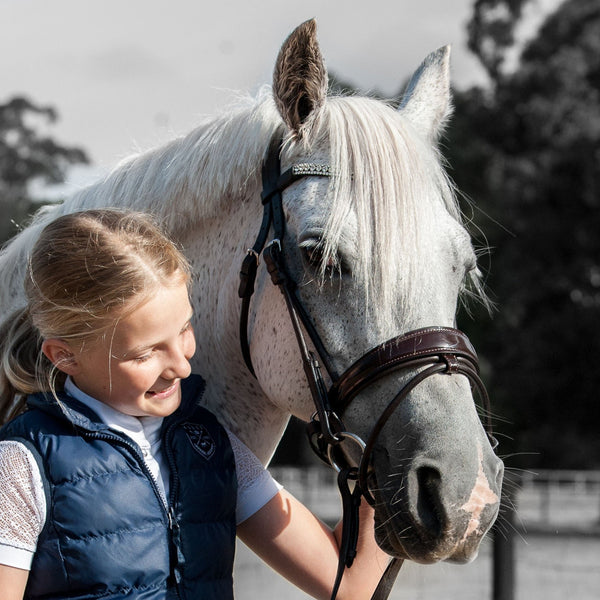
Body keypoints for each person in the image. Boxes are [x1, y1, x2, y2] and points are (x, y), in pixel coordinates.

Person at [0, 209, 388, 600]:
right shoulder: (20, 467)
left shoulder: (211, 446)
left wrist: (381, 448)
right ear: (64, 356)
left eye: (185, 328)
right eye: (146, 353)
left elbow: (349, 586)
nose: (182, 366)